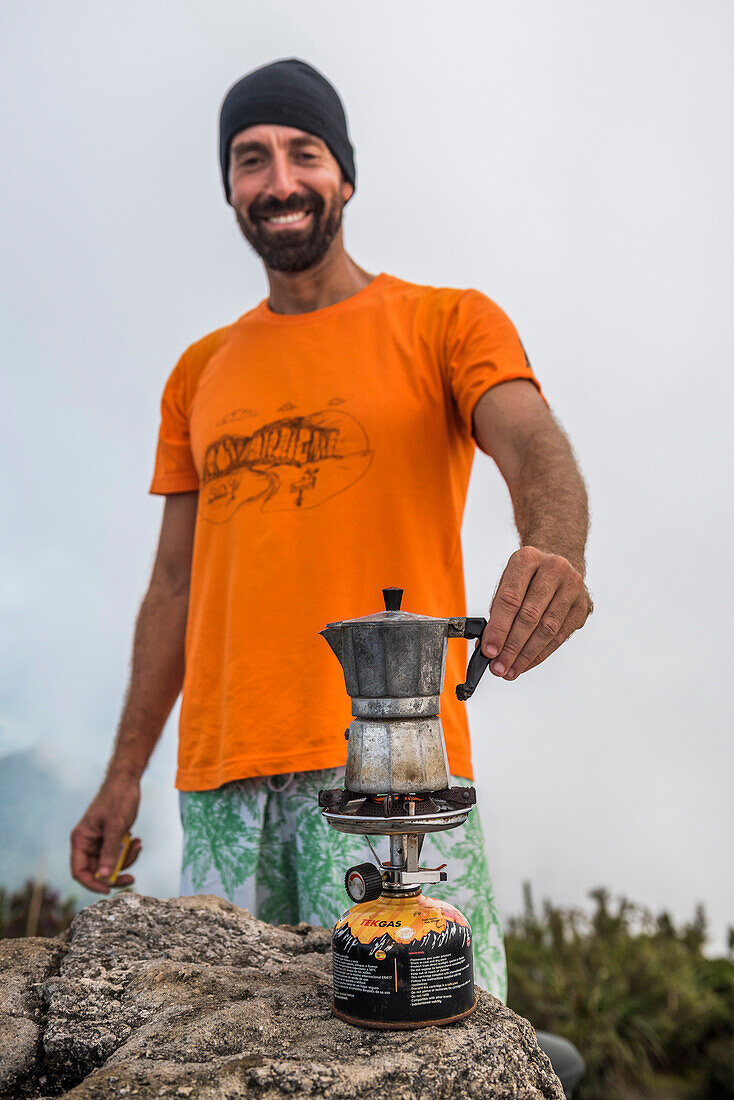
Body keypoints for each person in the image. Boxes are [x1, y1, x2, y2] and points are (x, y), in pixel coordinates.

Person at [70, 58, 590, 1093]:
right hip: (215, 780)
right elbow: (171, 585)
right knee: (213, 1061)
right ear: (229, 189)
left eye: (302, 153)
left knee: (437, 1053)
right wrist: (125, 769)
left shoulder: (445, 321)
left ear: (343, 175)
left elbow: (530, 440)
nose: (278, 179)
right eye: (249, 158)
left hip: (391, 767)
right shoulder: (199, 369)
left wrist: (555, 547)